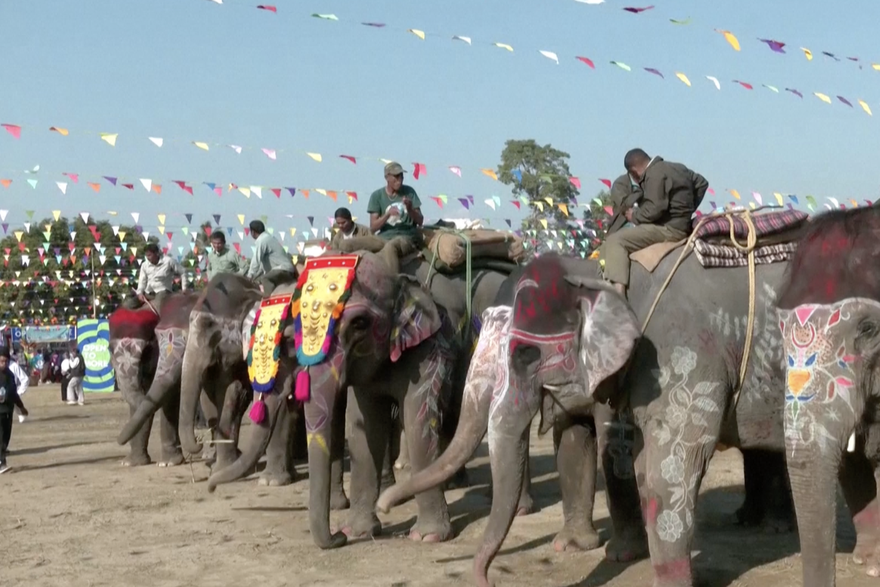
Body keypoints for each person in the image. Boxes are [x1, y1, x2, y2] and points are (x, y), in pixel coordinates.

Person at [601, 148, 709, 297]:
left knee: (615, 240)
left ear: (633, 171)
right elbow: (701, 183)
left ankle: (617, 296)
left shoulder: (652, 174)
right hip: (682, 226)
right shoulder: (677, 167)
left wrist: (634, 216)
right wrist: (686, 210)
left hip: (668, 230)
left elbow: (654, 208)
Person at [245, 220, 297, 297]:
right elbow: (261, 267)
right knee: (260, 280)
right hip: (284, 269)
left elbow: (256, 260)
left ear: (252, 232)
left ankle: (268, 300)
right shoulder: (268, 238)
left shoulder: (262, 240)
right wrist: (254, 278)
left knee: (265, 279)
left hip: (283, 269)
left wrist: (249, 276)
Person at [0, 347, 29, 474]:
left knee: (6, 436)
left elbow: (13, 393)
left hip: (8, 410)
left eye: (5, 361)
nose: (3, 364)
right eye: (1, 361)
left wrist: (21, 407)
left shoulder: (10, 375)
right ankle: (1, 463)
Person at [135, 243, 188, 308]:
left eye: (149, 255)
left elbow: (183, 271)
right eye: (146, 256)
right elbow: (142, 281)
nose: (148, 258)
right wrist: (140, 293)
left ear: (156, 253)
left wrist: (184, 288)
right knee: (130, 302)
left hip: (163, 292)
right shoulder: (144, 265)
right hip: (148, 292)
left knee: (157, 305)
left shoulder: (168, 261)